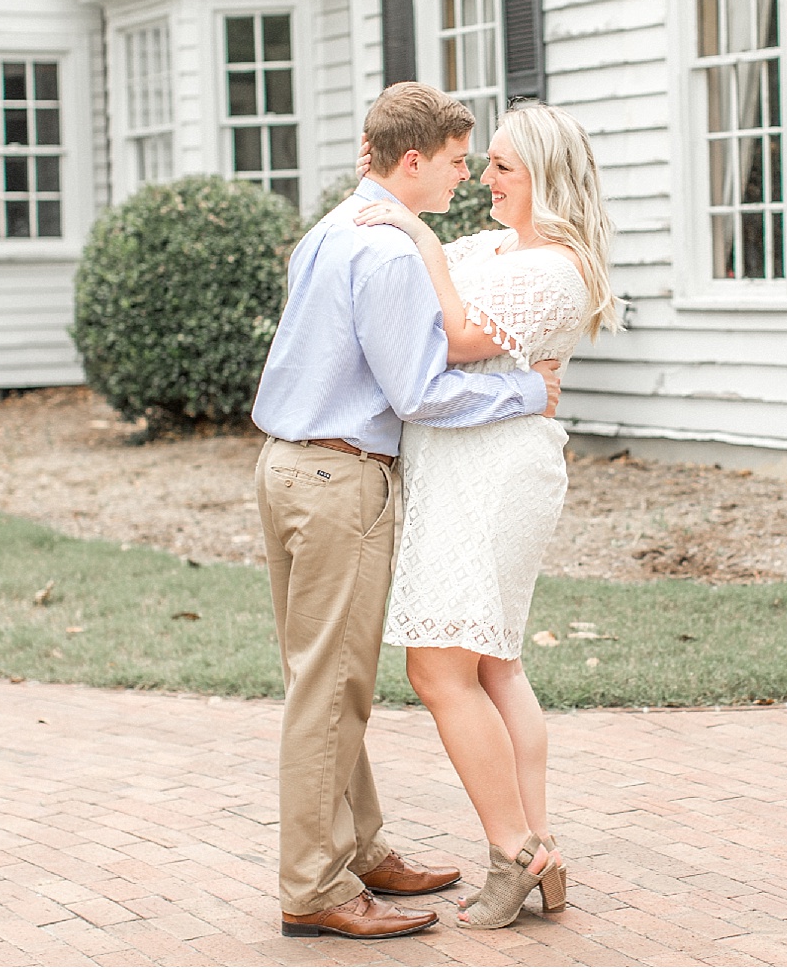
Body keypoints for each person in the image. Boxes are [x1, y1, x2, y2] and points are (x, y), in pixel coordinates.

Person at [249, 82, 564, 942]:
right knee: (331, 688)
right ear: (414, 162)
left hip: (283, 467)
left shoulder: (331, 228)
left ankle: (359, 847)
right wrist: (526, 393)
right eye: (461, 162)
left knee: (323, 678)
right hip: (339, 480)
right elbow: (422, 393)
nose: (467, 177)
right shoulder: (387, 254)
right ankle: (314, 886)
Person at [352, 99, 620, 929]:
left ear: (544, 176)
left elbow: (454, 332)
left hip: (494, 474)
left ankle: (514, 852)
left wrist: (420, 238)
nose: (484, 178)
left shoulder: (556, 268)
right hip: (470, 465)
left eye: (501, 166)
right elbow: (418, 287)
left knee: (439, 669)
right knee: (494, 664)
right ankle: (540, 845)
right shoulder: (503, 245)